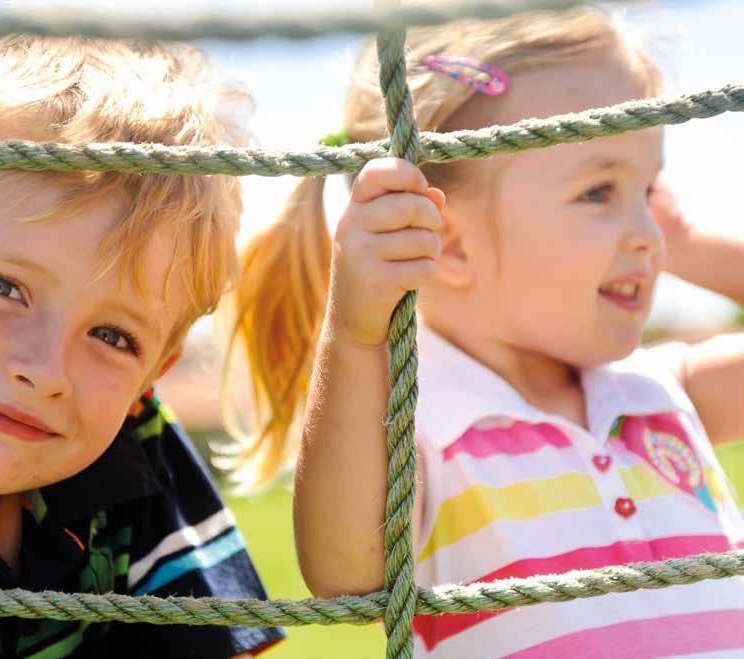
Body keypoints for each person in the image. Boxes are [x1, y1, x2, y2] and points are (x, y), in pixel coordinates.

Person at [229, 8, 744, 657]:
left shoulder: (661, 393)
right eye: (597, 191)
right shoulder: (421, 428)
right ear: (446, 240)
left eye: (648, 186)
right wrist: (357, 336)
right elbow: (344, 570)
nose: (647, 229)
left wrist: (692, 244)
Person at [0, 36, 284, 658]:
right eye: (1, 287)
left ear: (151, 374)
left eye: (113, 337)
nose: (47, 371)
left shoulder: (129, 455)